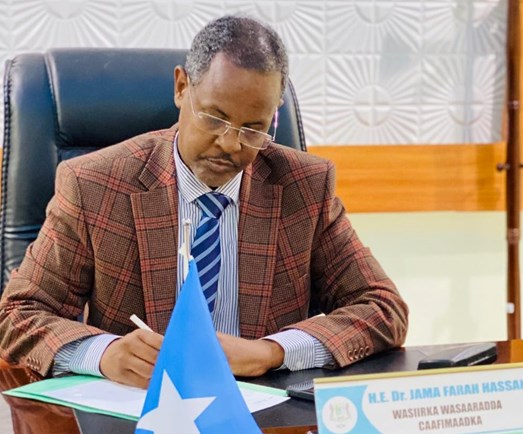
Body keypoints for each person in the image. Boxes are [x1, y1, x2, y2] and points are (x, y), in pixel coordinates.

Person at [0, 16, 408, 389]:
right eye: (215, 118)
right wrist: (104, 355)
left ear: (274, 115)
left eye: (253, 128)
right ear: (182, 88)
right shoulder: (94, 185)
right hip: (139, 413)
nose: (230, 144)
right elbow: (17, 314)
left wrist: (272, 351)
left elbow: (382, 307)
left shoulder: (304, 187)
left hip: (259, 415)